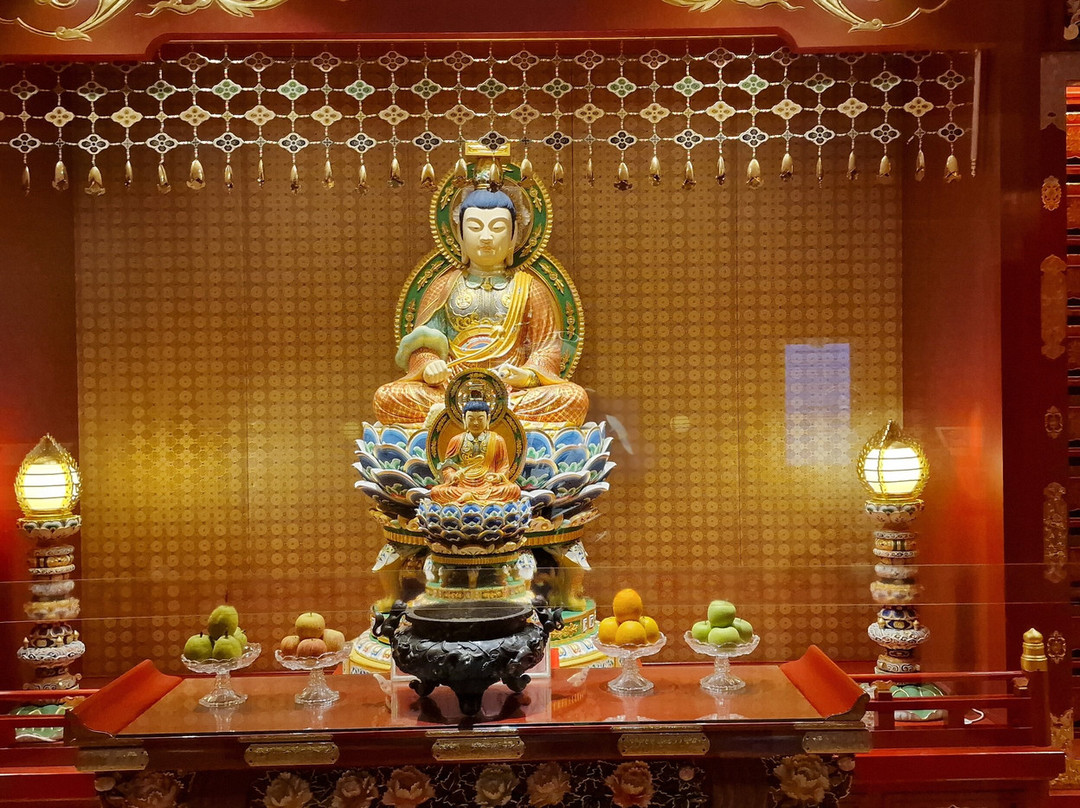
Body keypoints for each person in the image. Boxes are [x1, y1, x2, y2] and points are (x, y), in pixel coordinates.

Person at [373, 188, 588, 426]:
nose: (486, 237)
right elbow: (423, 343)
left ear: (513, 236)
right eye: (475, 227)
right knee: (387, 397)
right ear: (460, 236)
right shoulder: (444, 286)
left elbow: (546, 348)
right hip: (452, 388)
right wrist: (429, 365)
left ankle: (455, 416)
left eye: (497, 228)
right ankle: (490, 416)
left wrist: (527, 376)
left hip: (511, 391)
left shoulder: (531, 288)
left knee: (573, 398)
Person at [429, 399, 521, 505]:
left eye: (480, 419)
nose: (476, 423)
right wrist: (453, 476)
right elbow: (448, 467)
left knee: (513, 490)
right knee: (437, 492)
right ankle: (477, 499)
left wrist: (499, 477)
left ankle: (469, 498)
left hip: (488, 485)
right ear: (464, 419)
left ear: (488, 419)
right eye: (471, 419)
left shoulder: (497, 440)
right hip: (462, 486)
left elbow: (503, 467)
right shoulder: (456, 441)